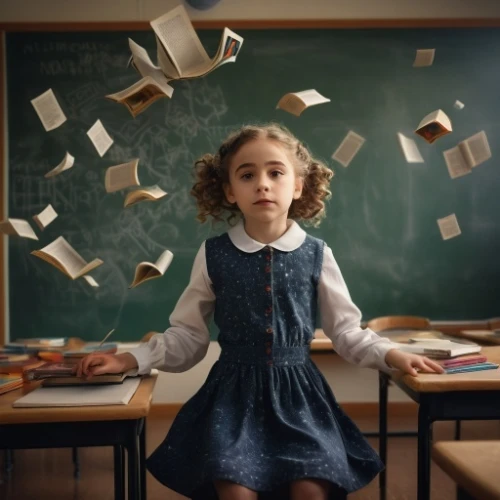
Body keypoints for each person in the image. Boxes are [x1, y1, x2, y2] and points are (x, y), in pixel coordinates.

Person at [77, 123, 444, 500]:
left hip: (300, 400)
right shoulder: (213, 255)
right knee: (236, 492)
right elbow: (187, 338)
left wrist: (391, 354)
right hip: (232, 401)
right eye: (247, 175)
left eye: (276, 172)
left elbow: (346, 332)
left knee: (311, 490)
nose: (262, 184)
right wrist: (130, 358)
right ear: (229, 191)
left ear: (298, 185)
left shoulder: (317, 253)